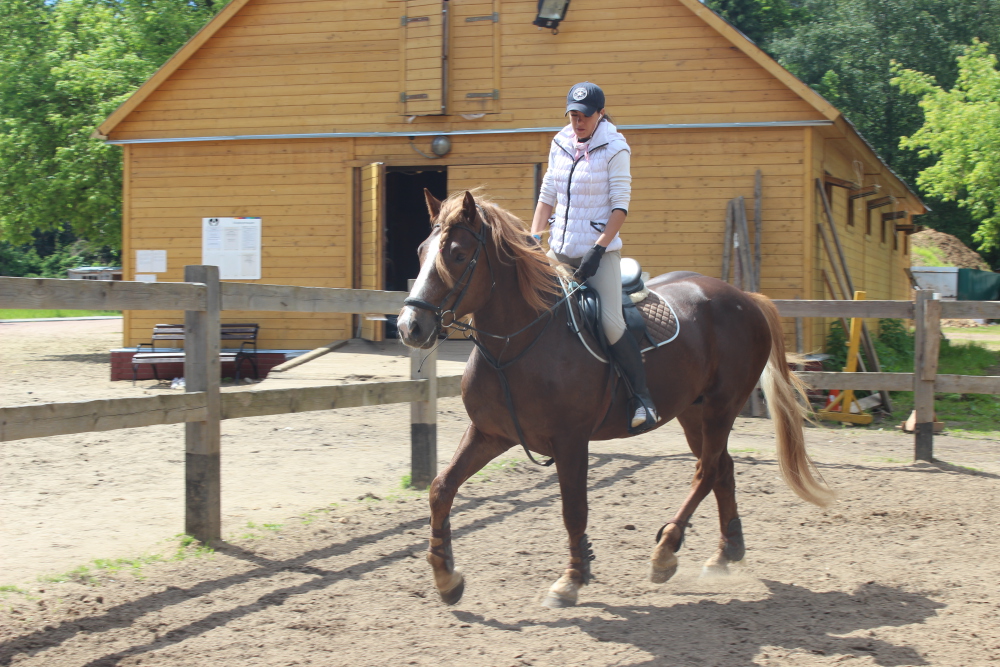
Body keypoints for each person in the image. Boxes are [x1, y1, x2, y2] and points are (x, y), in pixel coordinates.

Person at [529, 81, 658, 432]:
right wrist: (533, 236)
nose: (577, 122)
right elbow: (547, 194)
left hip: (598, 255)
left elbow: (620, 206)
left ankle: (641, 397)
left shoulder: (616, 147)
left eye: (584, 116)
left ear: (599, 114)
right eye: (572, 115)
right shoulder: (559, 143)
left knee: (611, 322)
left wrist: (598, 249)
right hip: (560, 249)